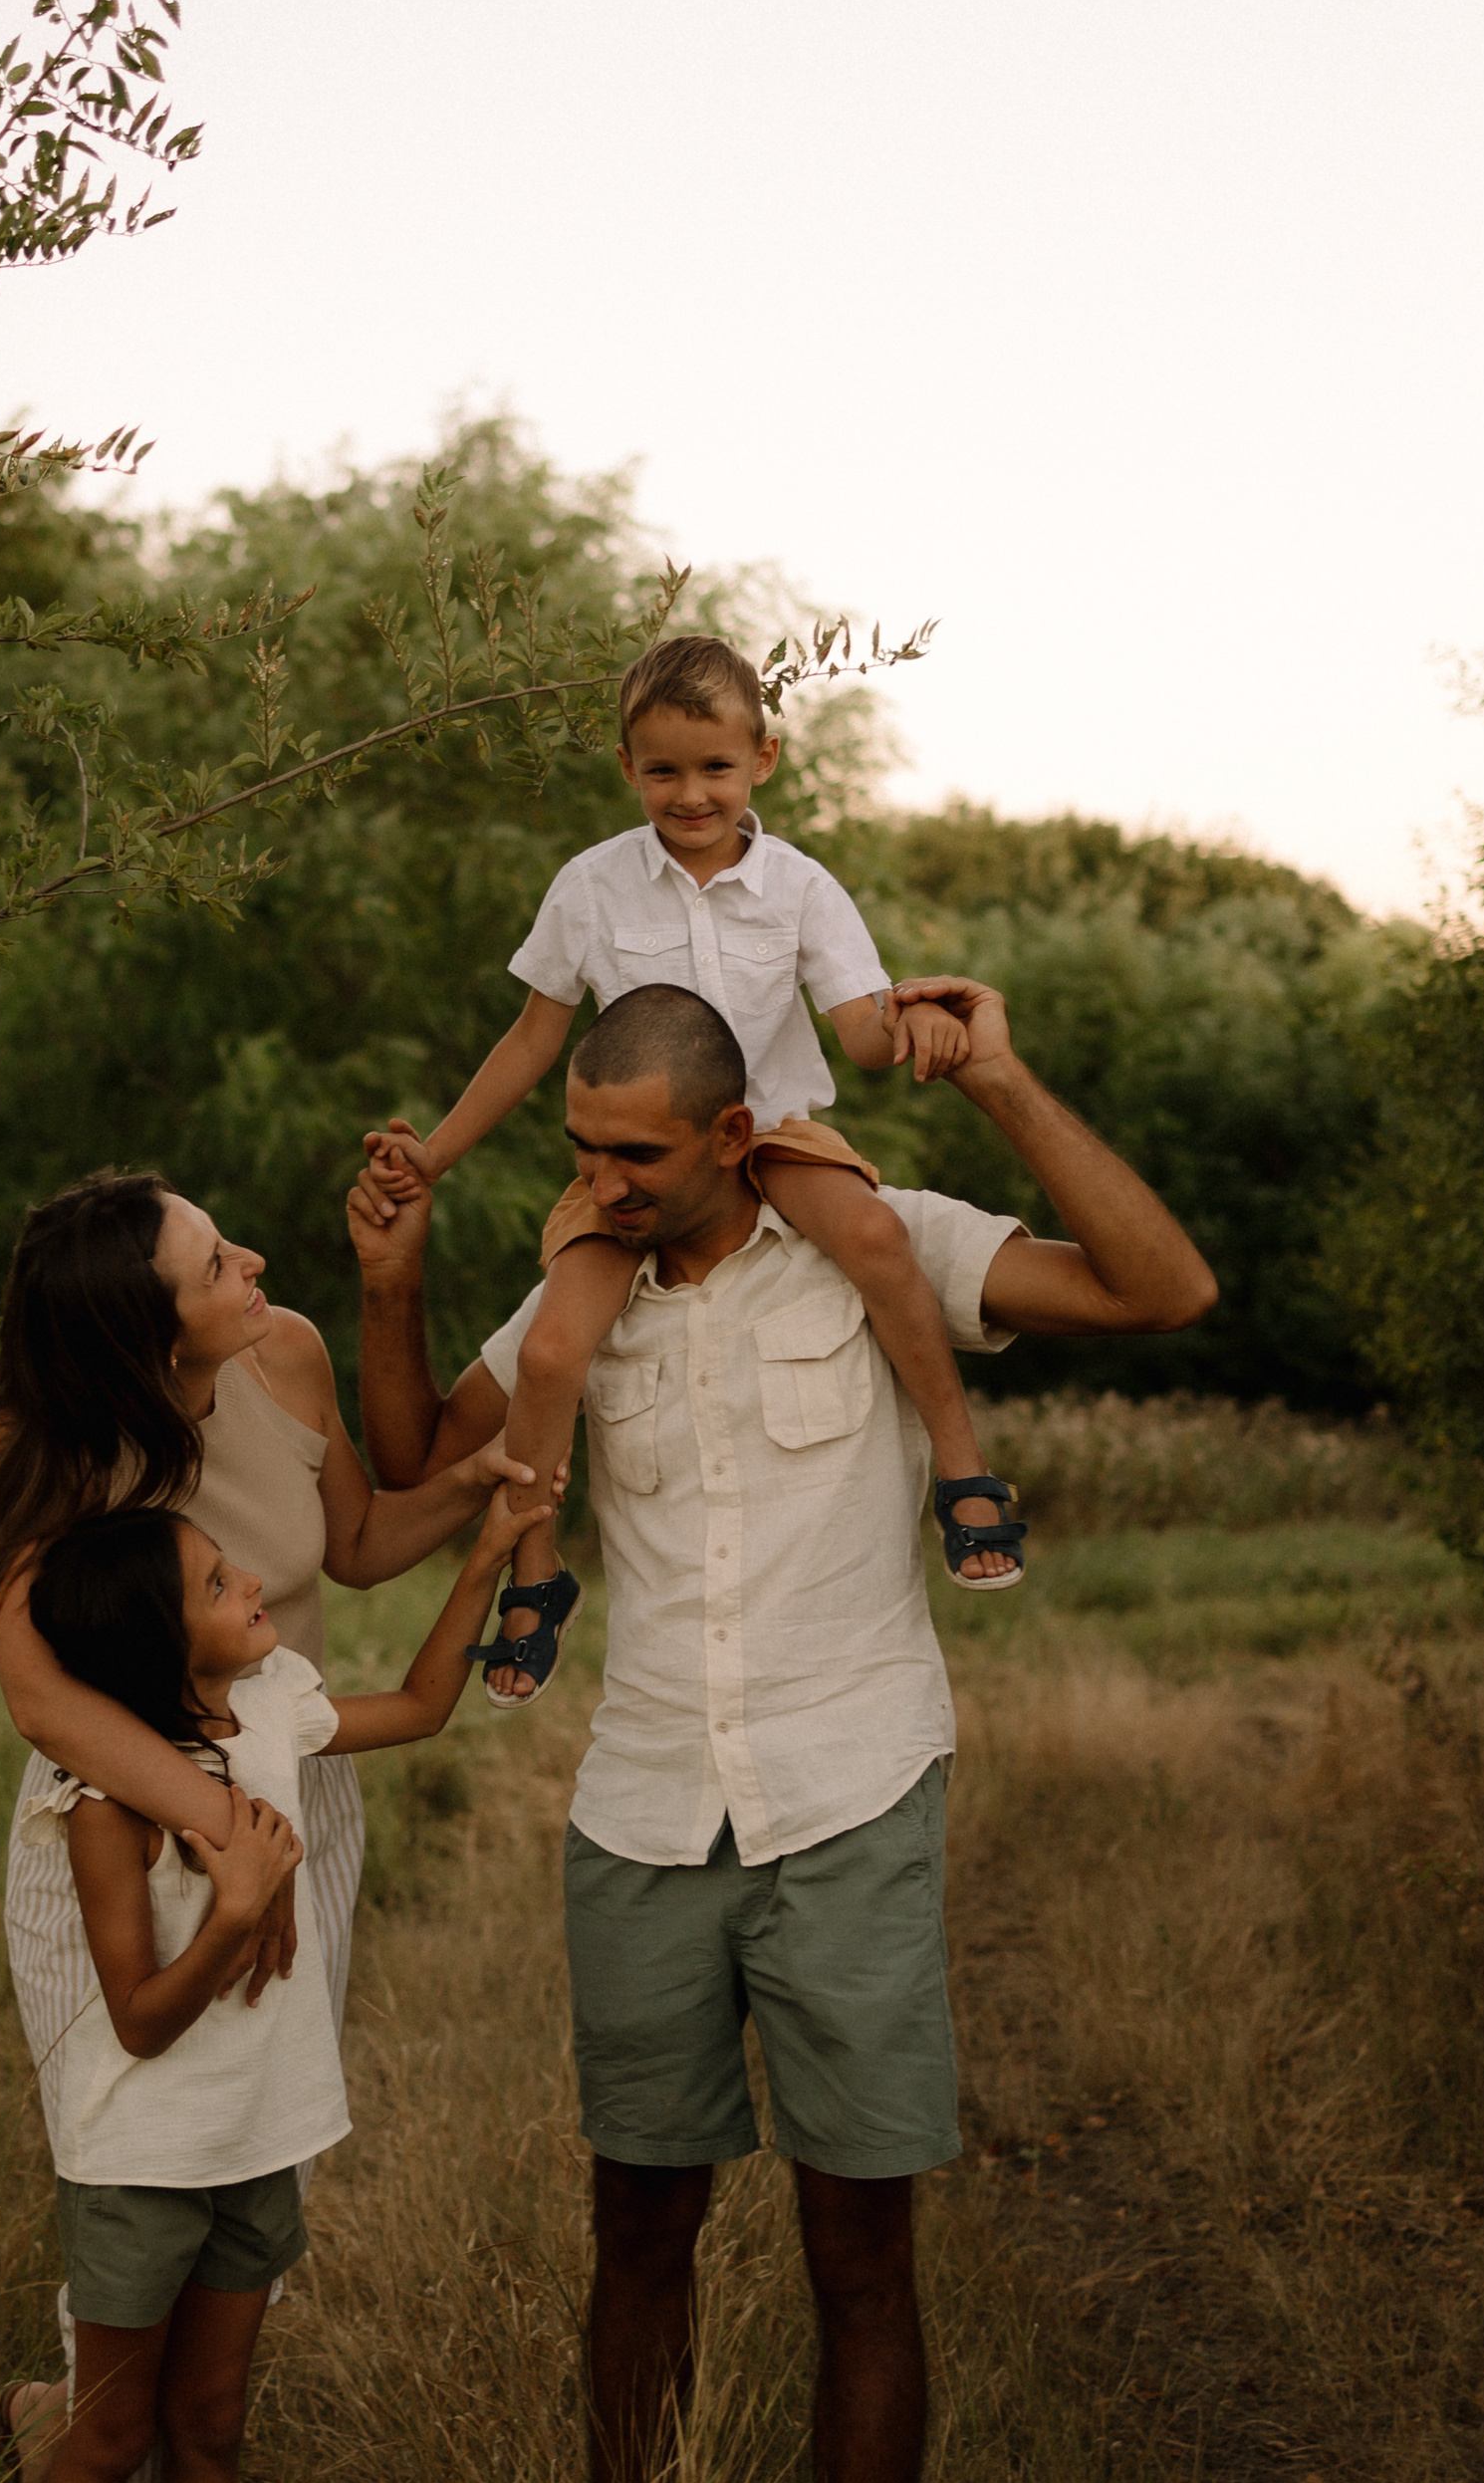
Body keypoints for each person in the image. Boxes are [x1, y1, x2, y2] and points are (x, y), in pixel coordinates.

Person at [351, 974, 1216, 2483]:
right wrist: (391, 1287)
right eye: (582, 1150)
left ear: (734, 1133)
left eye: (637, 1154)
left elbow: (1163, 1288)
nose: (600, 1183)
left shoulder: (879, 1241)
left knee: (857, 2252)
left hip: (849, 1797)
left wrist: (1005, 1082)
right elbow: (393, 1478)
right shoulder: (575, 1297)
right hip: (649, 1812)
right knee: (638, 2230)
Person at [0, 1169, 531, 2483]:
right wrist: (220, 1837)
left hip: (293, 1795)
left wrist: (486, 1488)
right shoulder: (39, 1440)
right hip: (119, 1821)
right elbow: (40, 1688)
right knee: (138, 2155)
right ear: (137, 1331)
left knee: (244, 2159)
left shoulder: (282, 1351)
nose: (257, 1265)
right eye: (216, 1262)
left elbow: (350, 1544)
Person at [14, 1478, 549, 2483]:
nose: (249, 1583)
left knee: (211, 2425)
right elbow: (137, 2018)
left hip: (261, 2137)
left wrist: (485, 1554)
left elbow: (420, 1709)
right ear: (154, 1639)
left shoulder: (272, 1708)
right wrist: (236, 1906)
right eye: (211, 1584)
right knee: (110, 2432)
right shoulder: (103, 1799)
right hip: (142, 2154)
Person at [360, 629, 1025, 1707]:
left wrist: (920, 1029)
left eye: (714, 767)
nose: (690, 792)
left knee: (871, 1238)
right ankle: (537, 1566)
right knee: (551, 1353)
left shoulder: (801, 889)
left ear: (763, 756)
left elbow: (857, 1031)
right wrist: (431, 1155)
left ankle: (959, 1463)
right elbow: (533, 1038)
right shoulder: (589, 888)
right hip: (638, 1164)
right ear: (627, 768)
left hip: (768, 1136)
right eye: (662, 769)